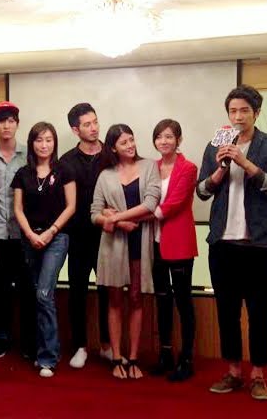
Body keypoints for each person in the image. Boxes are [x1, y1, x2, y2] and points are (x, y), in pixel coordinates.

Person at [197, 85, 267, 401]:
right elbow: (202, 191)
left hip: (259, 246)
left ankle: (258, 375)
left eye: (244, 110)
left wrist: (245, 162)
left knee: (259, 314)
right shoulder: (216, 145)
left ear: (256, 113)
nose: (237, 116)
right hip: (223, 245)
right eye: (233, 111)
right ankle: (234, 372)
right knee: (227, 313)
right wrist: (220, 170)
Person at [91, 124, 160, 379]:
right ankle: (117, 358)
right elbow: (94, 213)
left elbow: (151, 205)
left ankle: (133, 358)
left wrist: (115, 216)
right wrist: (116, 223)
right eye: (123, 142)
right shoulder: (105, 175)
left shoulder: (149, 166)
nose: (130, 145)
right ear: (113, 148)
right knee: (115, 301)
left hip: (141, 241)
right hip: (113, 245)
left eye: (131, 140)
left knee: (136, 297)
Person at [12, 121, 76, 378]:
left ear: (54, 143)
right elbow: (18, 209)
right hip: (30, 238)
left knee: (44, 293)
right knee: (35, 294)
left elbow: (71, 206)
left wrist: (51, 232)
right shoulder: (23, 173)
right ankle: (40, 350)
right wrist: (30, 234)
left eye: (48, 140)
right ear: (31, 143)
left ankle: (48, 356)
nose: (44, 145)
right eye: (39, 140)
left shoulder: (64, 170)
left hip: (56, 239)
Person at [60, 103, 111, 369]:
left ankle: (107, 344)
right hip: (78, 236)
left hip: (108, 236)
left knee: (108, 292)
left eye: (95, 122)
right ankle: (79, 346)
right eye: (87, 124)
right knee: (77, 292)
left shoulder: (111, 155)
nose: (94, 128)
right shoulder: (66, 161)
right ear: (75, 130)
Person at [150, 119, 198, 381]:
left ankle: (186, 358)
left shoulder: (188, 168)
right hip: (155, 241)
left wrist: (138, 216)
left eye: (169, 136)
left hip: (179, 242)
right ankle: (165, 353)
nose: (164, 141)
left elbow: (174, 203)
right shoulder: (151, 167)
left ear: (178, 140)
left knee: (183, 300)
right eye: (159, 137)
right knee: (162, 298)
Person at [0, 101, 35, 360]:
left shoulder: (29, 154)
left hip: (24, 234)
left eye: (11, 121)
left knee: (28, 288)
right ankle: (1, 339)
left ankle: (29, 342)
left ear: (17, 124)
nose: (6, 126)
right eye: (1, 121)